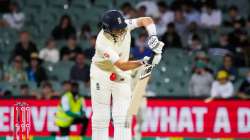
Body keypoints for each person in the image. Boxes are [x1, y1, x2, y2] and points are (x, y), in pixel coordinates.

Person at [90, 10, 164, 140]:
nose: (121, 31)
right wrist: (145, 61)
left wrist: (153, 36)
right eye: (117, 29)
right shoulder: (102, 43)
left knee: (123, 117)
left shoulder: (124, 26)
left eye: (122, 27)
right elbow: (121, 64)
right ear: (107, 29)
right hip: (102, 73)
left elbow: (146, 19)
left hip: (121, 73)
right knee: (101, 117)